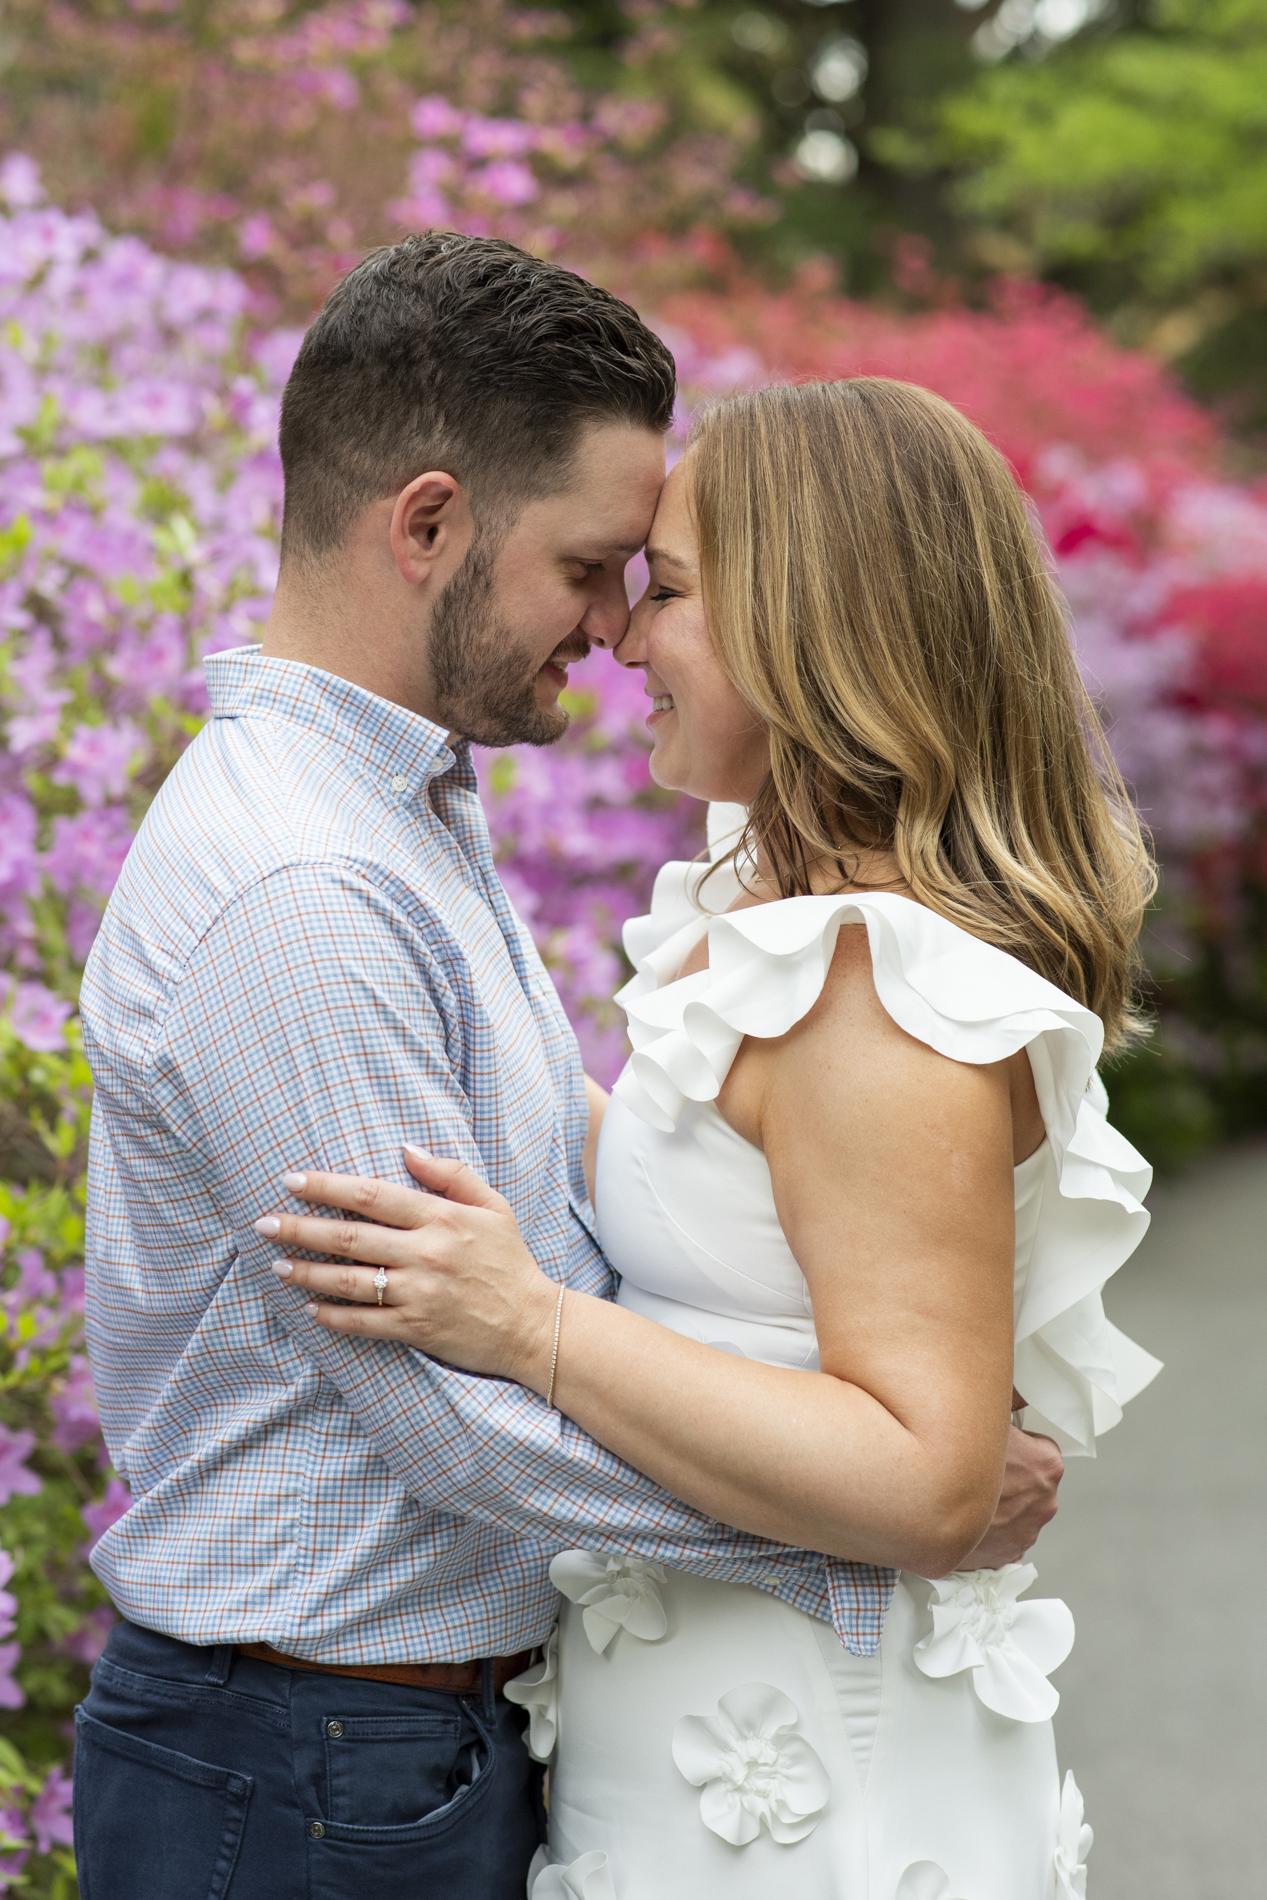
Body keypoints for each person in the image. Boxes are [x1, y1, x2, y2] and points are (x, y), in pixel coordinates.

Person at [74, 246, 1061, 1900]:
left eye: (645, 585)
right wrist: (891, 1526)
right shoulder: (307, 890)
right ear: (431, 525)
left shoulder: (403, 816)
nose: (613, 630)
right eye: (596, 568)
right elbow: (453, 1425)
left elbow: (558, 1178)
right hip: (304, 1766)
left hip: (381, 1752)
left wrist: (898, 1435)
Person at [261, 379, 1163, 1899]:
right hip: (711, 1739)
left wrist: (529, 1326)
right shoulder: (783, 932)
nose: (617, 637)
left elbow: (930, 1481)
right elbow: (730, 1200)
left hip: (815, 1784)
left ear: (812, 625)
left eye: (666, 592)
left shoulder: (875, 996)